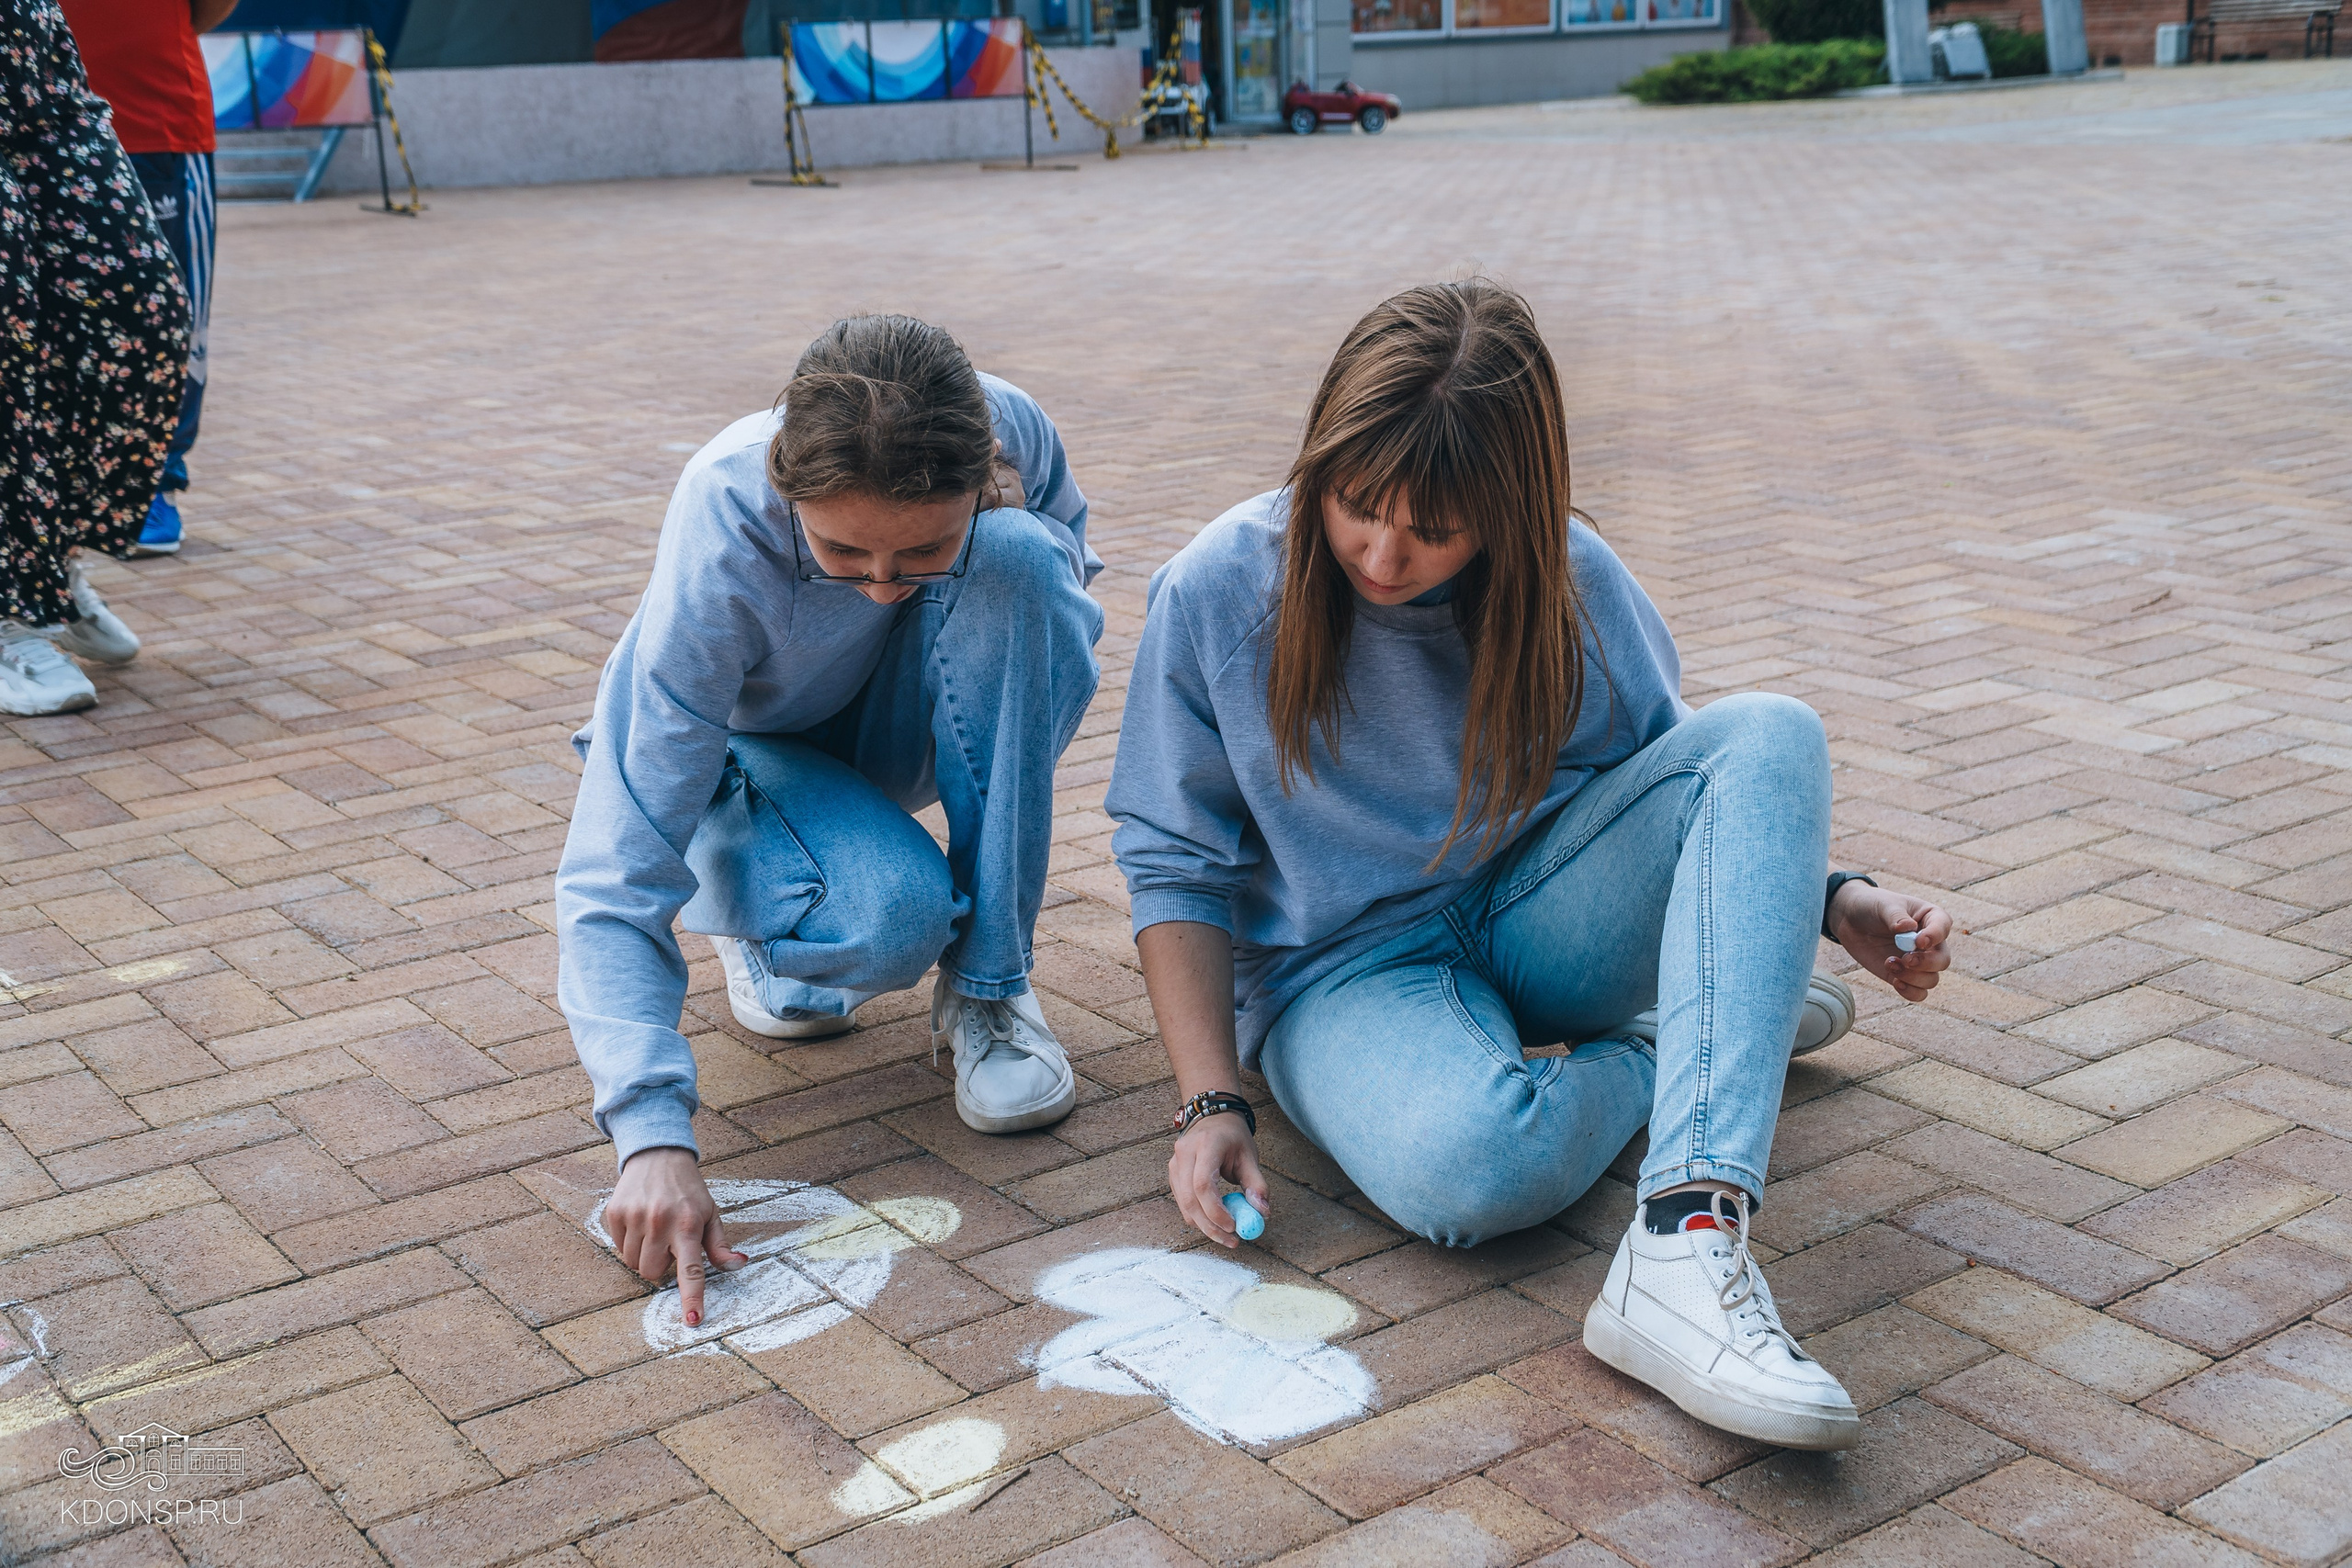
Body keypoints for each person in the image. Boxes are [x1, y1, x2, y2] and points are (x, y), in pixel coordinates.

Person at [1105, 280, 1951, 1452]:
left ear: (1509, 506)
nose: (1385, 553)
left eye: (1436, 527)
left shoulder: (1568, 579)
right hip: (1335, 976)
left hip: (1534, 911)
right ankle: (1696, 1035)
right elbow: (1173, 866)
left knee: (1771, 730)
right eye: (1356, 504)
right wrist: (1208, 1103)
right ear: (1319, 458)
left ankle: (1683, 1246)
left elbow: (1686, 776)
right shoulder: (1217, 589)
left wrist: (1827, 896)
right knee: (1479, 1173)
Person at [560, 315, 1105, 1329]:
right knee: (890, 919)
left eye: (923, 549)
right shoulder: (725, 519)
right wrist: (651, 1136)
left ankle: (988, 990)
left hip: (878, 733)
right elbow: (613, 870)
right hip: (736, 762)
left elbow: (1042, 651)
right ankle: (769, 918)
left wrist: (992, 556)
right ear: (787, 490)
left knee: (1028, 566)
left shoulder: (1014, 431)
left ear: (982, 471)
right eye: (842, 550)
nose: (884, 585)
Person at [0, 1, 187, 717]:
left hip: (40, 74)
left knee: (143, 306)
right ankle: (9, 603)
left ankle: (48, 561)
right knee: (9, 329)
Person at [58, 0, 232, 558]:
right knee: (58, 325)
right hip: (50, 133)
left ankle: (155, 485)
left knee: (172, 320)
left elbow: (210, 6)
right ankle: (68, 489)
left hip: (160, 126)